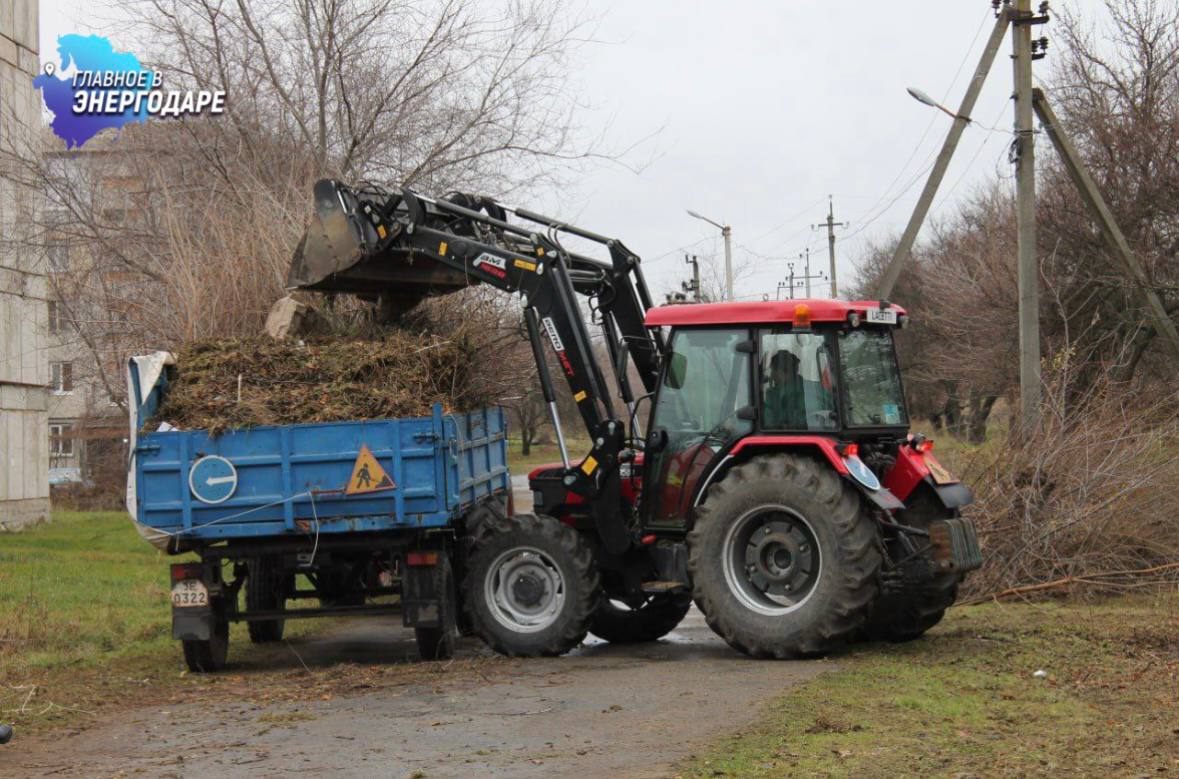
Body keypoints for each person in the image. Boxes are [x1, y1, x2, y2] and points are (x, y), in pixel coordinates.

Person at [763, 349, 808, 428]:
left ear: (784, 372)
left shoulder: (775, 395)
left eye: (773, 370)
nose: (771, 375)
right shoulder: (810, 388)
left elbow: (770, 424)